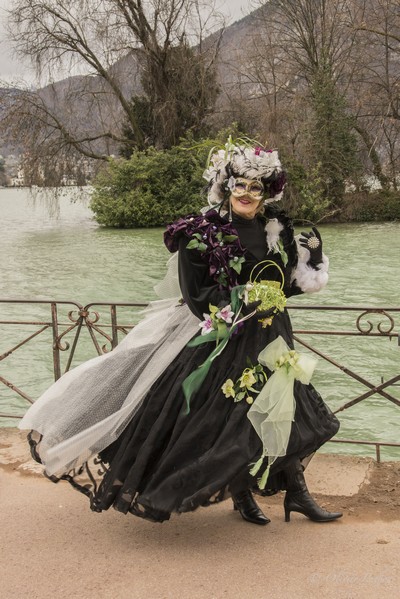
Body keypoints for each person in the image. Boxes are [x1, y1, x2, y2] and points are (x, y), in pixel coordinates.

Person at [19, 141, 342, 526]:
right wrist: (244, 298)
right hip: (221, 339)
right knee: (233, 419)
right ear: (226, 186)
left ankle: (296, 495)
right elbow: (198, 298)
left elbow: (282, 285)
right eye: (240, 185)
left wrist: (312, 263)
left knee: (285, 411)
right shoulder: (200, 234)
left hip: (271, 336)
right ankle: (243, 495)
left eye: (256, 188)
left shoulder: (277, 229)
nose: (247, 194)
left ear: (267, 191)